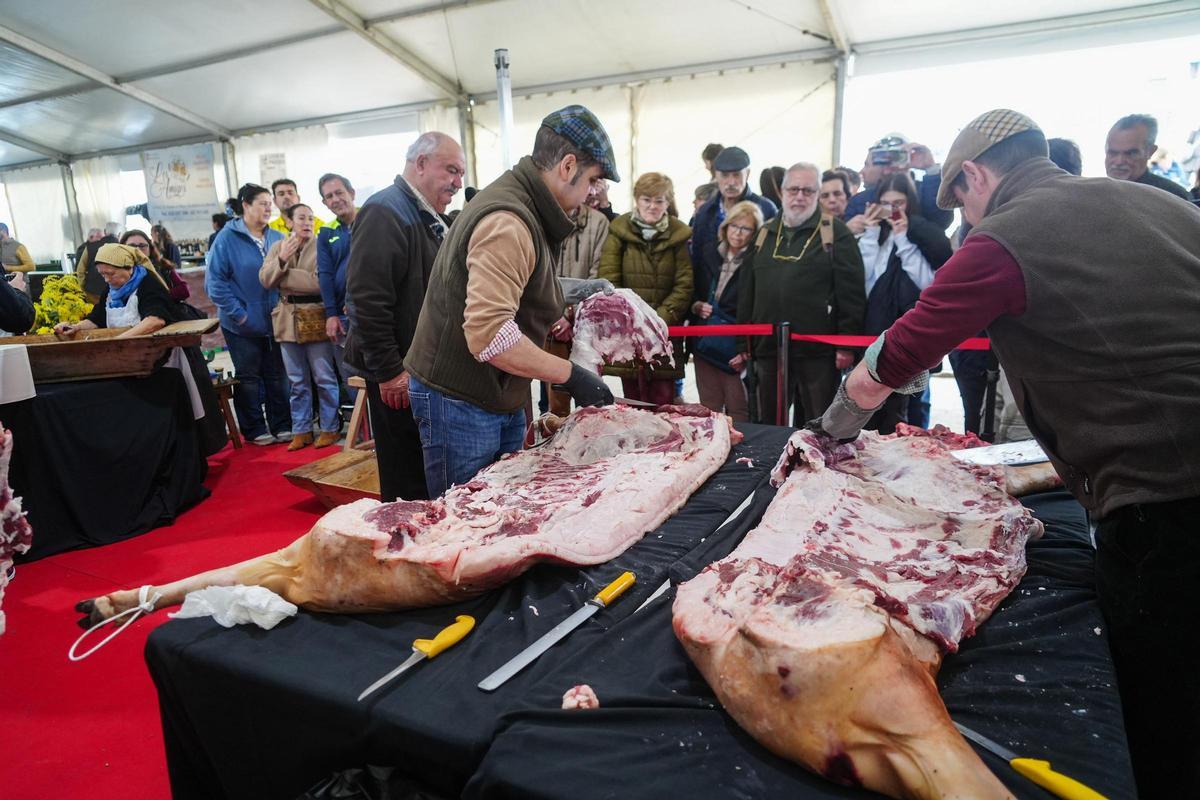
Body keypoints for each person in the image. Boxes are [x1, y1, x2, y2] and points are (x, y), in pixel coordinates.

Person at [807, 108, 1200, 799]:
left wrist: (835, 425)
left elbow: (902, 350)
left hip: (1167, 503)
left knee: (1166, 709)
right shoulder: (1158, 204)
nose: (964, 220)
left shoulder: (1006, 238)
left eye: (961, 201)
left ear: (978, 175)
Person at [404, 105, 619, 497]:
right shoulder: (509, 221)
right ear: (568, 166)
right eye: (592, 180)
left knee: (500, 508)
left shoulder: (526, 206)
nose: (592, 193)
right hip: (461, 399)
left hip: (492, 393)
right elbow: (489, 335)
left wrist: (583, 289)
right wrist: (571, 375)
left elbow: (523, 281)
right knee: (467, 527)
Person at [343, 132, 466, 502]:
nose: (458, 183)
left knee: (421, 474)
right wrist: (389, 371)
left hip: (421, 369)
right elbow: (366, 300)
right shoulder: (385, 210)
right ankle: (401, 549)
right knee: (406, 480)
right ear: (421, 163)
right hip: (397, 373)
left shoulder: (425, 214)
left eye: (461, 174)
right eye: (451, 170)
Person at [737, 163, 865, 425]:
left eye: (808, 190)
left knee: (821, 425)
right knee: (769, 424)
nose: (799, 196)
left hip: (818, 352)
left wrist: (846, 345)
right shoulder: (765, 233)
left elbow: (852, 294)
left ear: (817, 193)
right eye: (793, 189)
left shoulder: (836, 233)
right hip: (769, 349)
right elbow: (747, 289)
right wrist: (744, 342)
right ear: (782, 191)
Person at [853, 172, 949, 433]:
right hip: (872, 335)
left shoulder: (921, 235)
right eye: (886, 203)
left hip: (909, 336)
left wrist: (904, 238)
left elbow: (926, 283)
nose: (892, 210)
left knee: (906, 414)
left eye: (899, 203)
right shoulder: (874, 235)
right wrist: (871, 233)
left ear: (910, 203)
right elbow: (863, 280)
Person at [205, 183, 291, 446]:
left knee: (278, 375)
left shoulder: (277, 237)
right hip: (240, 323)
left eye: (269, 204)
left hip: (275, 320)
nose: (268, 208)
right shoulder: (227, 238)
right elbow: (215, 284)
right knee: (249, 376)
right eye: (262, 203)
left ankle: (282, 424)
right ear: (245, 206)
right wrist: (240, 315)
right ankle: (253, 428)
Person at [598, 172, 692, 405]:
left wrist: (659, 320)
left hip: (665, 331)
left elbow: (685, 283)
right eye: (646, 200)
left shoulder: (679, 234)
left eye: (659, 201)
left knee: (664, 401)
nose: (652, 206)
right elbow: (609, 279)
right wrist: (636, 319)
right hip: (629, 330)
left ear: (668, 203)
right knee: (633, 402)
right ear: (637, 200)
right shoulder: (619, 230)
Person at [260, 203, 341, 451]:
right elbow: (264, 279)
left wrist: (283, 276)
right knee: (296, 380)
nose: (306, 222)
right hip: (286, 319)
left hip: (316, 315)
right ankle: (301, 429)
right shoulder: (278, 247)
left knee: (324, 377)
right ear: (289, 222)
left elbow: (319, 283)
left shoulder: (322, 245)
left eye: (310, 218)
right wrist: (282, 259)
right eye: (301, 218)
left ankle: (329, 427)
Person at [692, 200, 762, 421]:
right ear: (726, 226)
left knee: (738, 406)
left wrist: (745, 348)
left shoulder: (758, 261)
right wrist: (695, 305)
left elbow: (757, 307)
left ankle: (741, 454)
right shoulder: (708, 251)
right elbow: (691, 286)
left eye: (746, 228)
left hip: (735, 343)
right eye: (734, 226)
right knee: (709, 406)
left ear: (755, 232)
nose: (738, 234)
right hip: (704, 337)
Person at [545, 198, 609, 416]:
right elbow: (539, 274)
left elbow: (599, 274)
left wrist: (571, 315)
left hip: (586, 324)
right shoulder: (542, 217)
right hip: (550, 322)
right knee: (555, 401)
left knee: (590, 399)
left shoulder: (598, 222)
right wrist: (555, 315)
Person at [54, 243, 175, 338]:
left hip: (160, 355)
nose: (106, 279)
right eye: (102, 274)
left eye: (111, 274)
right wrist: (75, 327)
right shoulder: (110, 291)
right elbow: (97, 319)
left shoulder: (149, 285)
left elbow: (155, 321)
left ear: (129, 268)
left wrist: (118, 341)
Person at [845, 135, 953, 231]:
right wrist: (848, 229)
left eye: (898, 156)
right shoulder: (859, 201)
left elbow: (941, 221)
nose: (862, 171)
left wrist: (931, 168)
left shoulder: (924, 191)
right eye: (884, 158)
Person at [690, 147, 778, 260]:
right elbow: (697, 257)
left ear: (747, 174)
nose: (731, 182)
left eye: (736, 175)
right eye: (725, 175)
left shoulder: (766, 209)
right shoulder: (705, 212)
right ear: (716, 175)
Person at [316, 172, 358, 400]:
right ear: (324, 202)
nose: (335, 199)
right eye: (329, 196)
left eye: (339, 192)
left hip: (370, 312)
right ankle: (362, 433)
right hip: (341, 318)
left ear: (351, 193)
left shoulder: (371, 219)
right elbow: (325, 274)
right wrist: (331, 314)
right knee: (349, 376)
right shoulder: (325, 231)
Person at [1104, 114, 1192, 201]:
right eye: (1112, 153)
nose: (1119, 161)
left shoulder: (1173, 197)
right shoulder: (1095, 192)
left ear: (1150, 152)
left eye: (1130, 154)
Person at [121, 229, 189, 302]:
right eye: (131, 246)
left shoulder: (163, 266)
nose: (137, 250)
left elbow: (184, 290)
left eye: (142, 246)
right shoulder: (116, 270)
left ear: (150, 249)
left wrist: (161, 297)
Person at [75, 222, 120, 304]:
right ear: (119, 234)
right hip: (116, 292)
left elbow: (80, 270)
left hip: (92, 292)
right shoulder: (123, 249)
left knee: (95, 315)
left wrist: (83, 287)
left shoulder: (89, 247)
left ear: (105, 232)